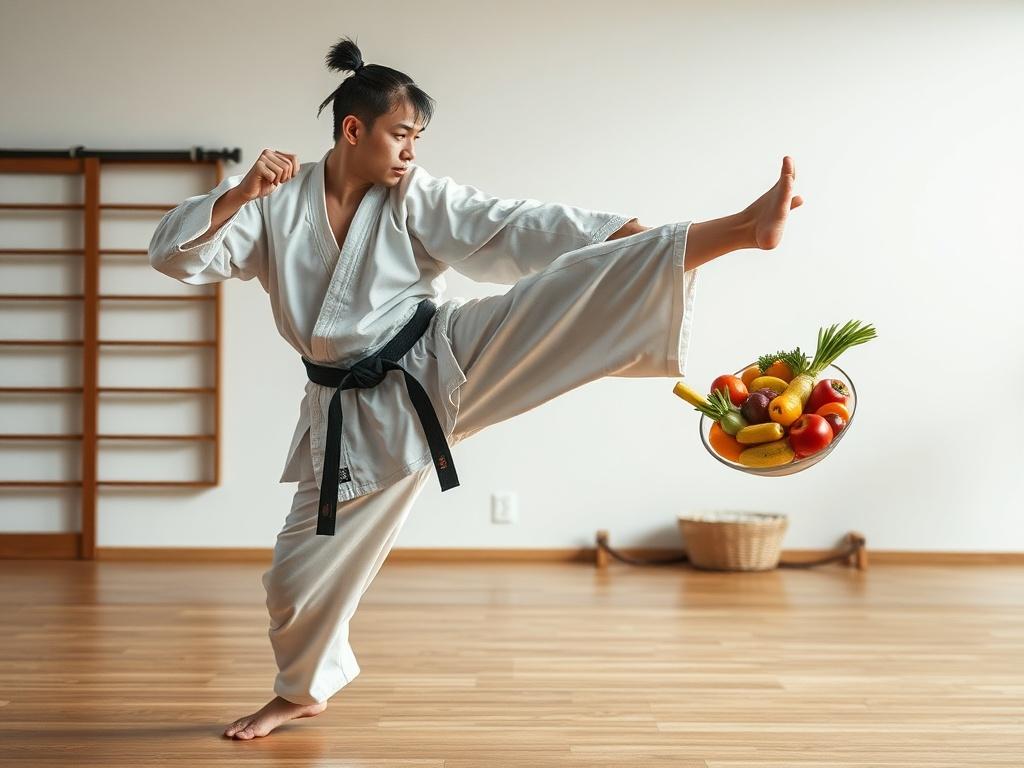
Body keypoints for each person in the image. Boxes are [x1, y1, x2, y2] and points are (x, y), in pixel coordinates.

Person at [148, 35, 803, 740]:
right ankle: (304, 690)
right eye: (401, 135)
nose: (410, 152)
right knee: (292, 581)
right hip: (347, 410)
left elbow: (511, 223)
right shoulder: (274, 205)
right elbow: (173, 255)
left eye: (418, 138)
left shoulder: (412, 195)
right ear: (352, 129)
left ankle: (739, 230)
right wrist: (242, 190)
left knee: (558, 293)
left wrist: (627, 237)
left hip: (437, 362)